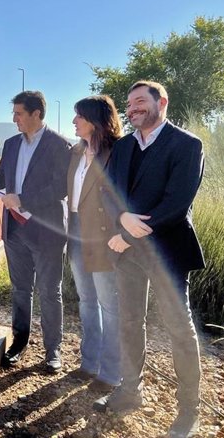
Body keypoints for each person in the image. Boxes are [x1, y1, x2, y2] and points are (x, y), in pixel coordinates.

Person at [92, 81, 205, 438]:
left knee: (179, 330)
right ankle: (130, 391)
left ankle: (189, 409)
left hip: (167, 252)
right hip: (128, 256)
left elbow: (176, 205)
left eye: (141, 101)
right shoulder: (124, 146)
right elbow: (108, 192)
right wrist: (121, 219)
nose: (133, 108)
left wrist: (124, 235)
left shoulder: (187, 145)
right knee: (129, 322)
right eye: (130, 103)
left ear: (162, 103)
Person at [0, 91, 69, 372]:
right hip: (14, 230)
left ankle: (52, 350)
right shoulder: (11, 144)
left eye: (19, 113)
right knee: (21, 290)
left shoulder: (60, 145)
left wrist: (23, 200)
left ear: (36, 114)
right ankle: (19, 342)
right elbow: (0, 180)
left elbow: (61, 187)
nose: (14, 119)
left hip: (46, 231)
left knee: (49, 291)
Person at [66, 96, 123, 392]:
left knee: (108, 304)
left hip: (103, 235)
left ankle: (112, 373)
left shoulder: (117, 152)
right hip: (75, 230)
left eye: (79, 116)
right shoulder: (77, 152)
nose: (74, 121)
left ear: (96, 120)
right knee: (86, 301)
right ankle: (89, 364)